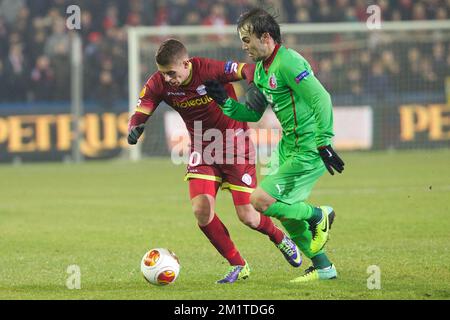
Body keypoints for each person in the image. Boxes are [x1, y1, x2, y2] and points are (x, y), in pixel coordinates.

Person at [127, 39, 301, 284]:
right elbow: (141, 110)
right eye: (163, 74)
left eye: (172, 73)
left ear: (186, 64)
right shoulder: (158, 82)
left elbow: (247, 70)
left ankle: (280, 238)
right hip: (202, 149)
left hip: (235, 146)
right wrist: (135, 127)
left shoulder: (208, 69)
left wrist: (253, 88)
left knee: (248, 216)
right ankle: (238, 264)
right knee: (201, 210)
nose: (167, 79)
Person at [204, 8, 345, 282]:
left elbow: (321, 98)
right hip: (287, 147)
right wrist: (224, 101)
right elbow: (252, 114)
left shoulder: (289, 62)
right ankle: (324, 267)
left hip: (309, 147)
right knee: (286, 212)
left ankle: (319, 214)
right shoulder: (259, 71)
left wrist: (324, 141)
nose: (244, 46)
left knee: (260, 200)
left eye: (247, 40)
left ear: (265, 37)